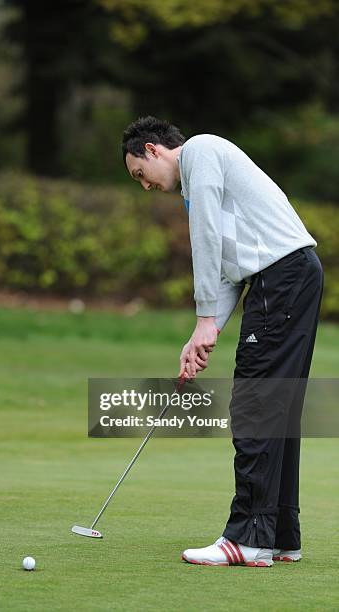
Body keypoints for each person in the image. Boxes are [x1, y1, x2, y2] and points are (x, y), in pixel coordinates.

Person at [122, 116, 324, 567]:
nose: (146, 186)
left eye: (140, 174)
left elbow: (206, 239)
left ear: (154, 150)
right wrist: (205, 330)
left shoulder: (202, 153)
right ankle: (279, 535)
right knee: (279, 406)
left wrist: (202, 317)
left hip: (283, 278)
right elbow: (234, 270)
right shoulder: (204, 167)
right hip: (290, 276)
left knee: (254, 402)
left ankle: (248, 537)